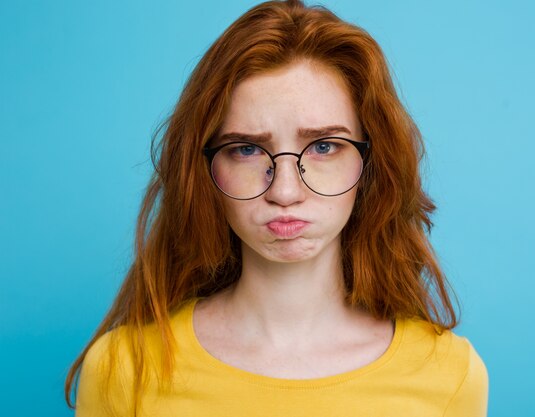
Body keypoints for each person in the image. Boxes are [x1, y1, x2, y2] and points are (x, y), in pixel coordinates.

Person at [65, 0, 489, 415]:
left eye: (325, 146)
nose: (285, 192)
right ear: (203, 169)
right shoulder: (122, 370)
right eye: (247, 149)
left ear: (373, 165)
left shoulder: (449, 375)